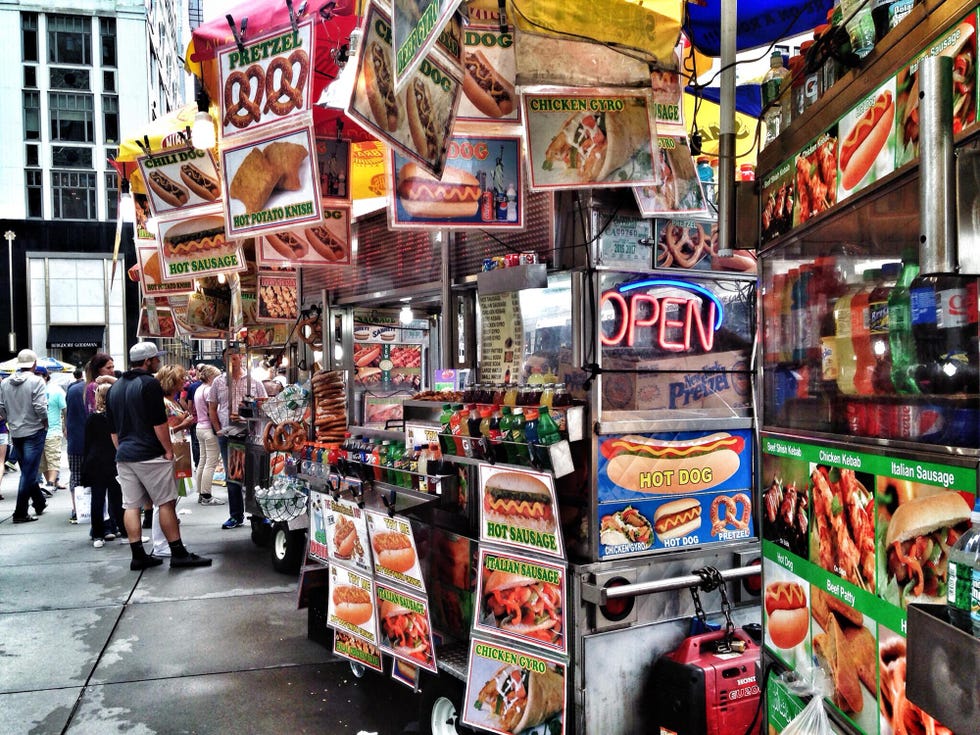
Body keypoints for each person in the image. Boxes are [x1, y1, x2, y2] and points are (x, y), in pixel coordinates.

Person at [106, 342, 211, 570]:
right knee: (165, 502)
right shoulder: (149, 384)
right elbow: (158, 423)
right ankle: (177, 551)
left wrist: (120, 450)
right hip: (149, 453)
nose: (158, 362)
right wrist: (168, 450)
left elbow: (113, 430)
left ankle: (138, 554)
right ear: (147, 361)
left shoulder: (115, 387)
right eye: (156, 358)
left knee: (131, 505)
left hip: (125, 455)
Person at [209, 346, 266, 529]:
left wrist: (246, 416)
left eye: (234, 357)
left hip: (251, 435)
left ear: (241, 358)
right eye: (227, 357)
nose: (231, 360)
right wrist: (218, 429)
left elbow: (264, 407)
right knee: (233, 477)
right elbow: (212, 408)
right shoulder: (218, 382)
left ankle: (258, 514)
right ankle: (236, 515)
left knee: (255, 476)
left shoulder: (254, 382)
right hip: (228, 436)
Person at [151, 364, 195, 557]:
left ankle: (167, 540)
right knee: (164, 501)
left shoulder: (171, 401)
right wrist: (183, 424)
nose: (184, 382)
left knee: (170, 500)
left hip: (177, 450)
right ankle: (161, 543)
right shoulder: (163, 402)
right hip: (170, 452)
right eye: (181, 379)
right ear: (172, 382)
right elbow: (162, 431)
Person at [0, 349, 49, 522]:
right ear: (34, 364)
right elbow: (40, 407)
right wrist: (45, 421)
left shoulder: (5, 383)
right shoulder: (37, 381)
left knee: (27, 469)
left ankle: (39, 501)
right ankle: (20, 512)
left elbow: (1, 407)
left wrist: (10, 420)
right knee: (28, 472)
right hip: (34, 430)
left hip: (16, 431)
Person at [83, 383, 124, 548]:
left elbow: (87, 443)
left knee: (97, 499)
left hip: (95, 462)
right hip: (113, 460)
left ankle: (98, 534)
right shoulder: (116, 417)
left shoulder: (92, 417)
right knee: (118, 498)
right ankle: (125, 531)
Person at [193, 364, 225, 506]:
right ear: (211, 377)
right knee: (210, 463)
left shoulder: (199, 389)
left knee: (202, 460)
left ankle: (200, 492)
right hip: (209, 429)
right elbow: (213, 410)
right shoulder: (209, 391)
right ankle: (206, 495)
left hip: (199, 427)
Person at [36, 367, 67, 492]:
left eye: (39, 375)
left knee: (53, 457)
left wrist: (65, 426)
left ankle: (50, 483)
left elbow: (65, 409)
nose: (37, 377)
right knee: (42, 461)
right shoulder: (33, 390)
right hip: (37, 431)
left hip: (53, 431)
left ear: (45, 376)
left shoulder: (56, 390)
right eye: (35, 374)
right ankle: (51, 483)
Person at [64, 368, 89, 524]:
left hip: (76, 440)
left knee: (76, 476)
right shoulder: (98, 388)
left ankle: (77, 510)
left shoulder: (72, 389)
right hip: (96, 441)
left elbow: (68, 414)